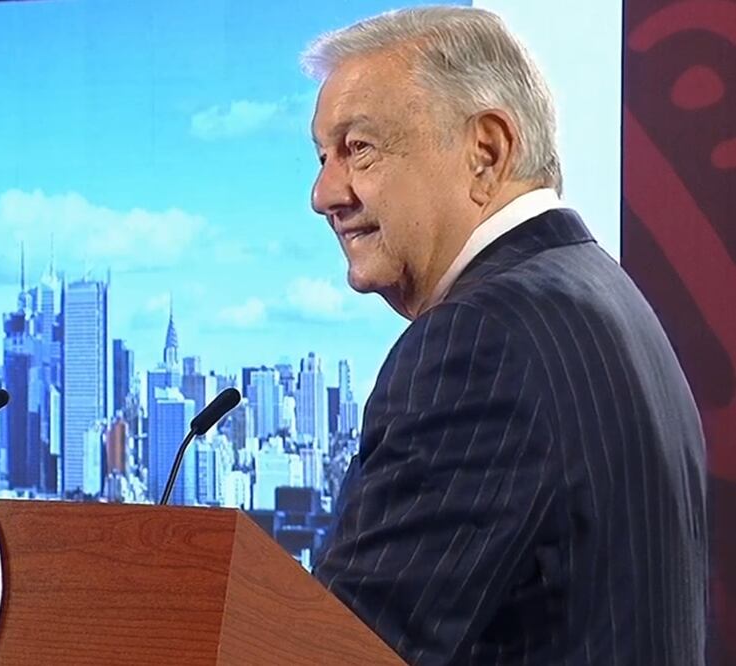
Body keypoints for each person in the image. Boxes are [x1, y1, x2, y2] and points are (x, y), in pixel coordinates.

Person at [303, 7, 707, 664]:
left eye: (359, 148)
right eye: (323, 157)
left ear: (485, 153)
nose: (323, 194)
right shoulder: (601, 290)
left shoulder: (477, 342)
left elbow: (345, 652)